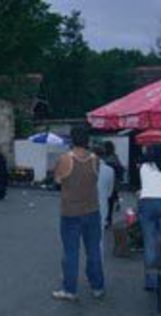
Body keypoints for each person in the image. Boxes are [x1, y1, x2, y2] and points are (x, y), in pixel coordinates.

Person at [52, 125, 105, 301]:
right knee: (93, 250)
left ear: (72, 140)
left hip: (70, 213)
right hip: (92, 210)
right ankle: (97, 286)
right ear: (87, 140)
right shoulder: (95, 159)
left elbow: (58, 180)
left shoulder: (65, 159)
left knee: (71, 252)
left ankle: (70, 289)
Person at [138, 143, 161, 291]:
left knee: (149, 242)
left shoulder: (144, 167)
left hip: (147, 203)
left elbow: (144, 185)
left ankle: (151, 281)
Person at [94, 146, 115, 255]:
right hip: (102, 205)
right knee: (99, 238)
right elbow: (110, 192)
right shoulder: (110, 170)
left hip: (85, 205)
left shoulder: (86, 169)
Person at [104, 141, 124, 226]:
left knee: (105, 201)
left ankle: (105, 217)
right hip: (114, 184)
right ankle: (109, 218)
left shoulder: (104, 159)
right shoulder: (115, 158)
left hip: (105, 182)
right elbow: (121, 170)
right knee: (110, 202)